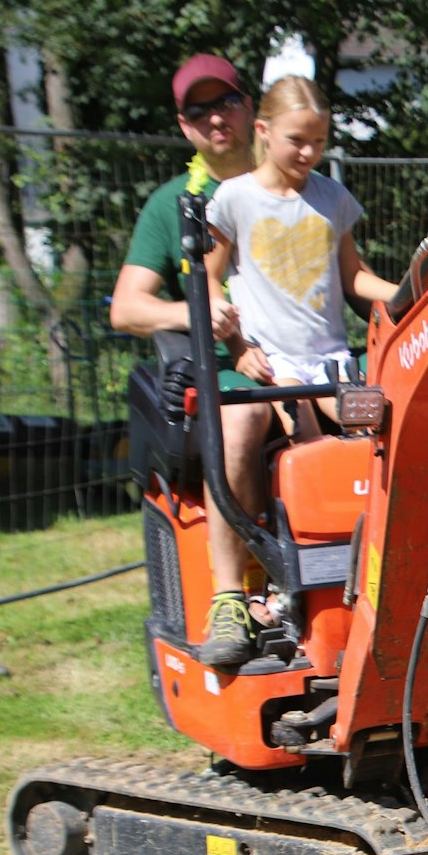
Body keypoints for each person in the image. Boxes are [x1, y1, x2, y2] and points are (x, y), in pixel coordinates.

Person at [109, 54, 275, 669]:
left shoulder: (293, 183)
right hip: (226, 366)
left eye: (224, 103)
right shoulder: (171, 204)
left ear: (249, 106)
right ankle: (233, 596)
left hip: (305, 352)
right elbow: (126, 308)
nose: (214, 119)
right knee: (241, 422)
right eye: (197, 111)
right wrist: (193, 313)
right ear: (183, 126)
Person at [203, 75, 398, 446]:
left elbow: (353, 275)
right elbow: (210, 278)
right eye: (296, 140)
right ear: (263, 130)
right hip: (277, 360)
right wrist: (238, 347)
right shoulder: (234, 198)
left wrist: (411, 292)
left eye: (318, 142)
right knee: (309, 443)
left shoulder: (332, 197)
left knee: (372, 437)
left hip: (333, 358)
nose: (308, 153)